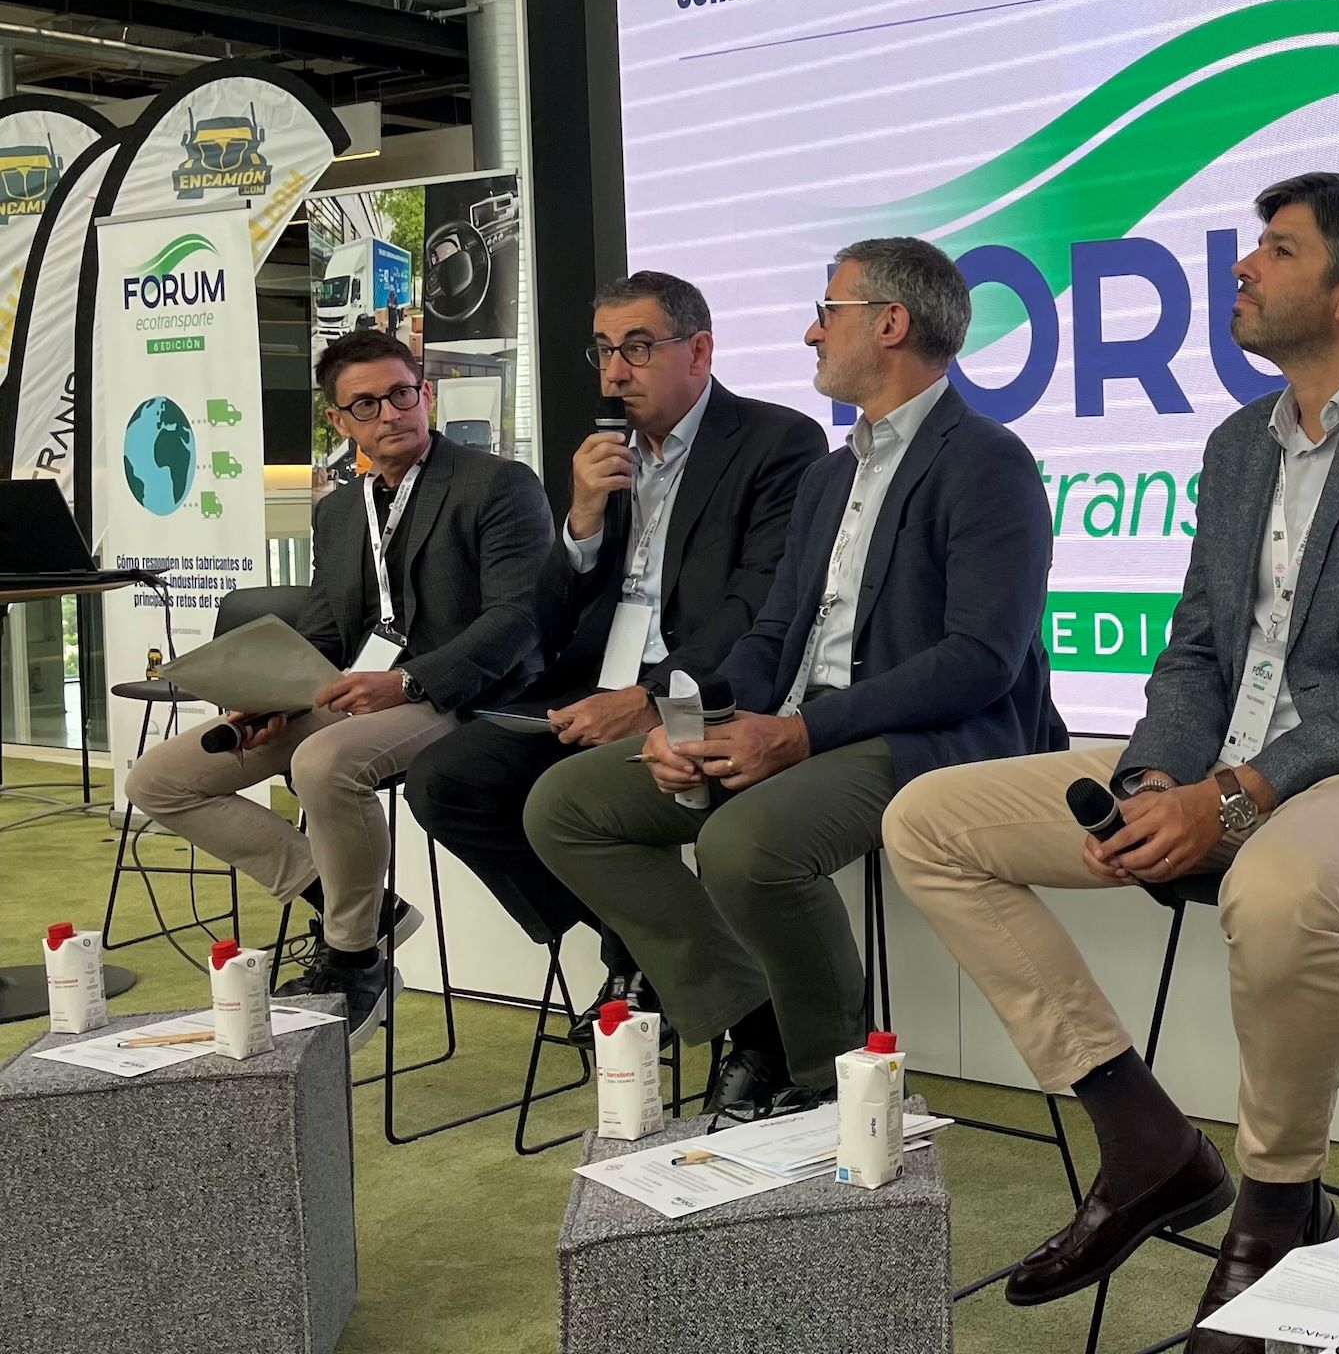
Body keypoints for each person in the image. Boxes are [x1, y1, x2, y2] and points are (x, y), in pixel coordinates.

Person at [882, 173, 1339, 1346]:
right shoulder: (1238, 444)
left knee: (1274, 887)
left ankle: (1278, 1203)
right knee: (928, 819)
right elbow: (1195, 652)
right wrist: (1153, 781)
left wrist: (1230, 798)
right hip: (1227, 762)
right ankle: (1141, 1134)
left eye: (1276, 249)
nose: (1241, 266)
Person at [524, 237, 1064, 1117]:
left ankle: (828, 1078)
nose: (812, 334)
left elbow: (979, 660)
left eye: (827, 312)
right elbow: (774, 634)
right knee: (568, 805)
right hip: (802, 724)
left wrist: (802, 732)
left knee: (746, 846)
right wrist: (685, 721)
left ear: (890, 324)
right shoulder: (830, 474)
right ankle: (754, 1020)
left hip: (928, 739)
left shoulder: (985, 461)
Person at [406, 271, 825, 1041]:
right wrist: (581, 521)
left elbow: (757, 604)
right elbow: (544, 621)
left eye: (637, 347)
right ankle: (639, 940)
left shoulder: (777, 442)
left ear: (698, 351)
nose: (614, 372)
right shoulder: (605, 454)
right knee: (445, 782)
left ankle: (675, 975)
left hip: (700, 691)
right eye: (602, 350)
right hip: (591, 682)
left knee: (569, 796)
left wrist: (652, 698)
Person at [126, 329, 552, 1048]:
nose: (391, 413)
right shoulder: (339, 509)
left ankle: (354, 960)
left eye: (402, 393)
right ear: (339, 420)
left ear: (425, 393)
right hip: (360, 693)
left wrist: (409, 680)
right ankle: (359, 904)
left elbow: (517, 619)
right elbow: (324, 630)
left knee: (322, 763)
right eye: (367, 404)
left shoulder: (498, 484)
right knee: (159, 779)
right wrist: (271, 696)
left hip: (463, 694)